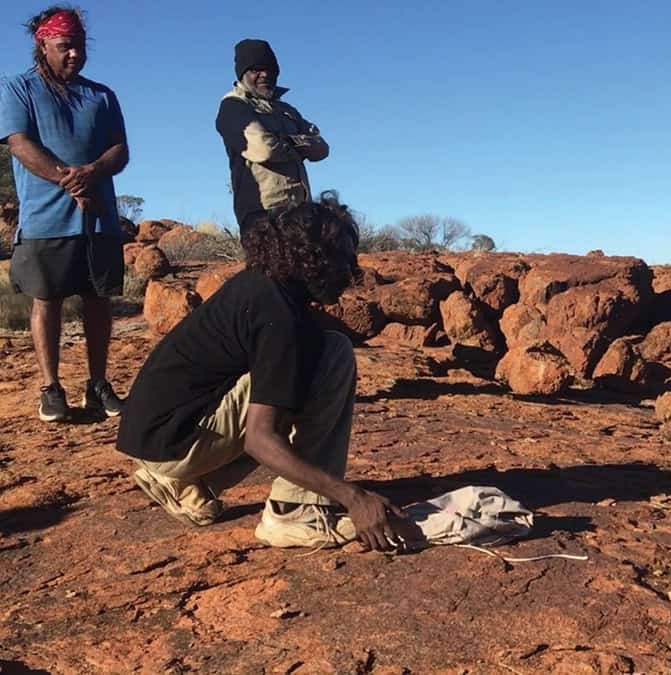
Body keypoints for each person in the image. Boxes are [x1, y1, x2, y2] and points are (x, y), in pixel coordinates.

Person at [115, 194, 417, 551]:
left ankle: (184, 483)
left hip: (155, 437)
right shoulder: (278, 313)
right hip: (174, 442)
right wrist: (353, 497)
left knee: (291, 374)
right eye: (342, 260)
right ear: (311, 258)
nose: (350, 273)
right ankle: (294, 513)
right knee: (330, 355)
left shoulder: (260, 284)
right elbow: (260, 439)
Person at [0, 6, 128, 423]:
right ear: (43, 45)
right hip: (46, 219)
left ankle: (98, 384)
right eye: (65, 46)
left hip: (99, 219)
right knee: (48, 300)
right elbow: (20, 144)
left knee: (98, 300)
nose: (75, 54)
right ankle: (51, 388)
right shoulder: (18, 88)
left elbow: (119, 150)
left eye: (80, 46)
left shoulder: (102, 95)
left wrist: (94, 172)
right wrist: (69, 181)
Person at [215, 39, 328, 240]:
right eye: (255, 70)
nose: (265, 75)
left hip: (301, 212)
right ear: (242, 74)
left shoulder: (287, 110)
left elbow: (321, 149)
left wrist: (284, 141)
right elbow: (263, 149)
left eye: (270, 69)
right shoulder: (233, 107)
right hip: (263, 214)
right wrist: (300, 146)